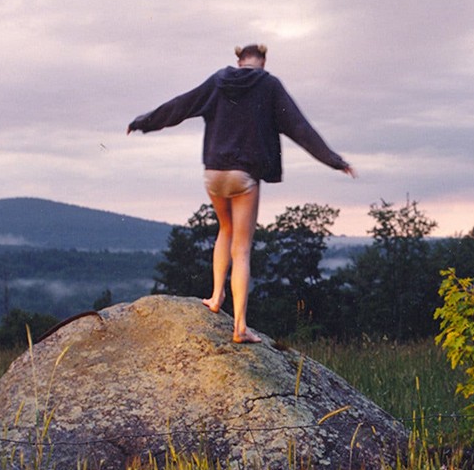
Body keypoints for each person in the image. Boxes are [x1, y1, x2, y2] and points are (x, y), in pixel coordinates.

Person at [128, 44, 356, 343]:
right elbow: (300, 128)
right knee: (243, 247)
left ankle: (214, 296)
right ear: (262, 61)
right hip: (243, 175)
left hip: (213, 172)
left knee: (224, 228)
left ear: (239, 60)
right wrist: (334, 160)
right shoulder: (270, 86)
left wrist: (144, 122)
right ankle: (239, 327)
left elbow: (181, 105)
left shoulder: (218, 81)